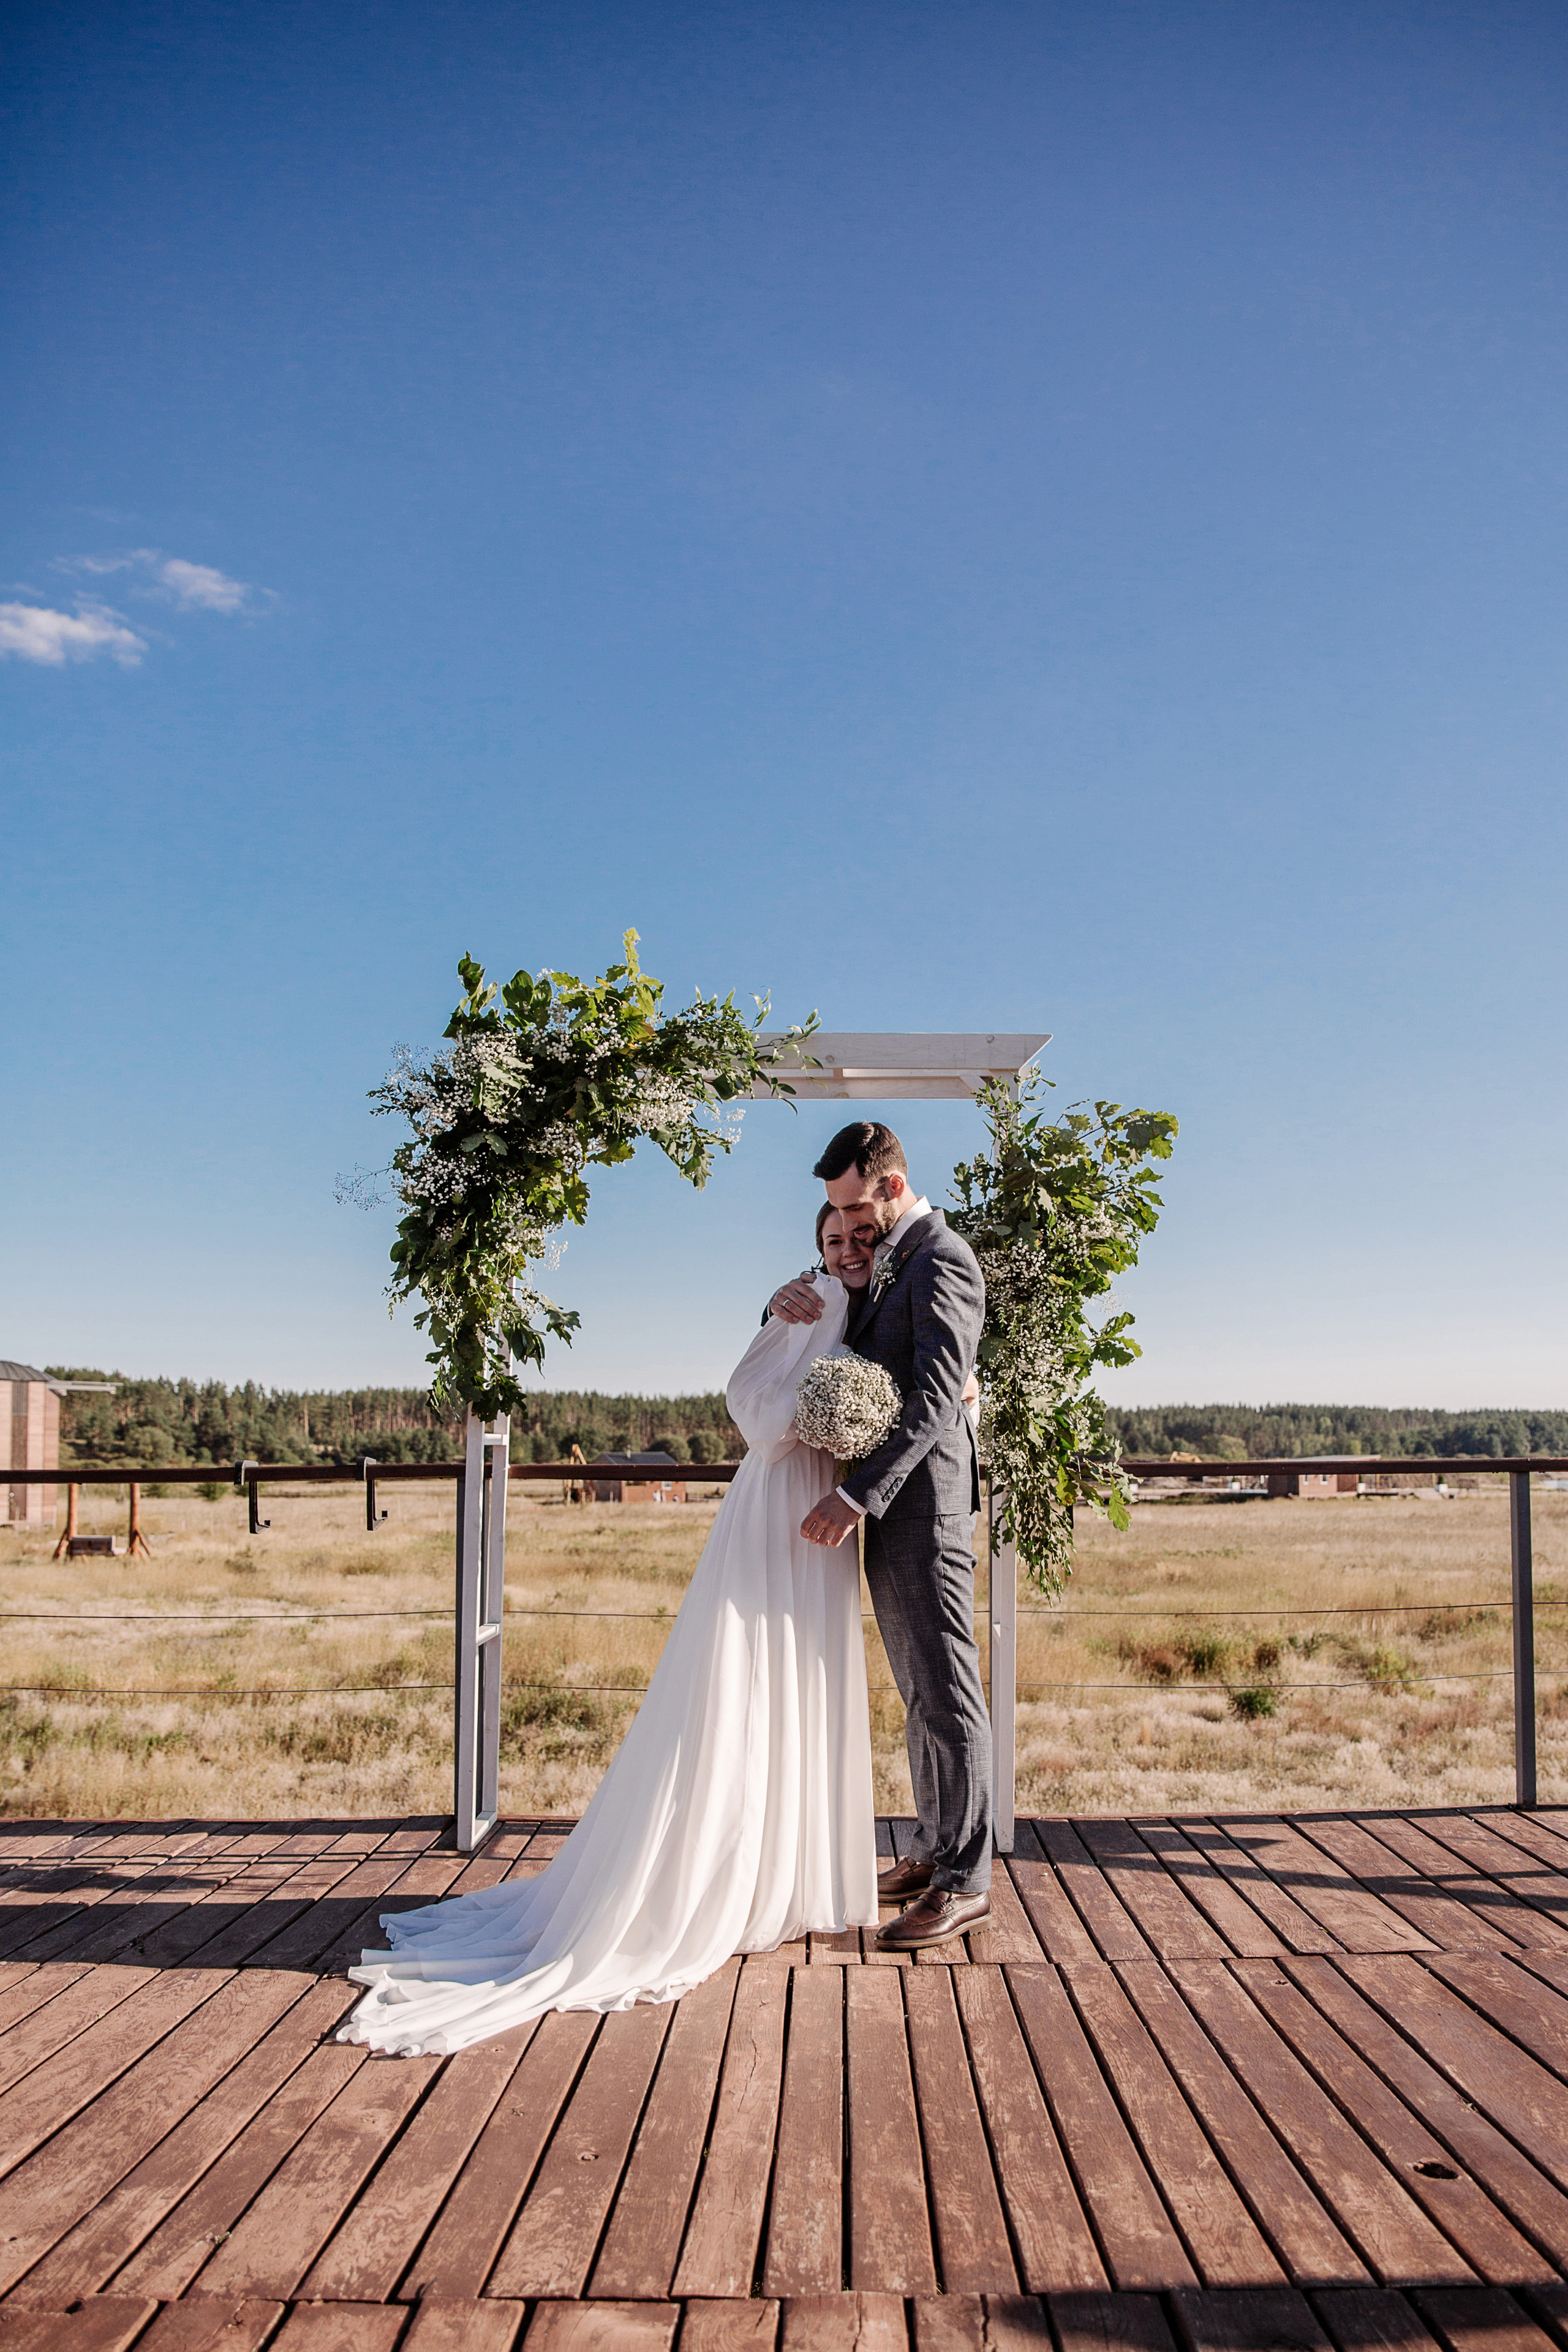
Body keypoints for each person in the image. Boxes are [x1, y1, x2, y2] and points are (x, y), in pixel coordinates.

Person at [336, 1205, 879, 2057]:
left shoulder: (876, 1302)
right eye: (832, 1242)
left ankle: (787, 1874)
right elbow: (748, 1404)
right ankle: (713, 1880)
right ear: (814, 1250)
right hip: (779, 1496)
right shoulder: (806, 1299)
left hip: (828, 1512)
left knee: (801, 1675)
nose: (845, 1253)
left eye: (858, 1241)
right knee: (740, 1677)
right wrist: (808, 1410)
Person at [771, 1120, 990, 1951]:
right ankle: (935, 1850)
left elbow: (936, 1401)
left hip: (921, 1505)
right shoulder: (894, 1257)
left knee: (948, 1689)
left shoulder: (942, 1257)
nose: (853, 1227)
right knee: (919, 1694)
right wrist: (778, 1302)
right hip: (894, 1510)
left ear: (891, 1186)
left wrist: (857, 1497)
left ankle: (968, 1881)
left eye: (859, 1207)